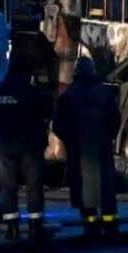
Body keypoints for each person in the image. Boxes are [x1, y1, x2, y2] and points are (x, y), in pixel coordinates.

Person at [53, 56, 122, 239]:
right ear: (92, 71)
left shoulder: (69, 95)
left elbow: (59, 125)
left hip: (79, 151)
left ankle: (90, 226)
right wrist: (107, 138)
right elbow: (115, 120)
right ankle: (111, 225)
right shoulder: (104, 93)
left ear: (77, 72)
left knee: (83, 189)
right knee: (106, 188)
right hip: (101, 150)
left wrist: (70, 141)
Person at [0, 52, 52, 241]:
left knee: (7, 187)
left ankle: (12, 229)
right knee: (33, 185)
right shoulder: (32, 92)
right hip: (29, 146)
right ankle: (35, 228)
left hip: (3, 146)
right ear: (26, 72)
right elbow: (46, 112)